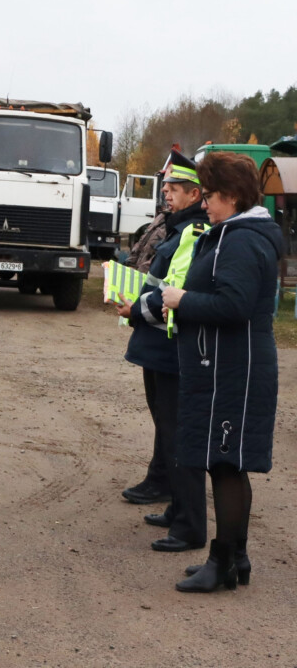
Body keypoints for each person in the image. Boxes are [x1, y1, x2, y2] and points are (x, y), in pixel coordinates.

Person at [162, 151, 284, 592]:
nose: (205, 203)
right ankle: (236, 557)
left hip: (236, 370)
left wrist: (181, 300)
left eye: (210, 195)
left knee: (227, 464)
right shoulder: (234, 233)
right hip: (226, 367)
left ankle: (223, 561)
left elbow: (233, 306)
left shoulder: (242, 239)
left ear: (231, 197)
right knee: (227, 463)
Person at [114, 153, 207, 554]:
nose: (165, 195)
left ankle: (186, 516)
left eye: (172, 190)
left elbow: (174, 291)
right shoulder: (176, 227)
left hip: (170, 346)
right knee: (165, 425)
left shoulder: (192, 232)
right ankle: (175, 506)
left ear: (195, 194)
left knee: (175, 429)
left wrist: (135, 309)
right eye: (165, 189)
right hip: (156, 342)